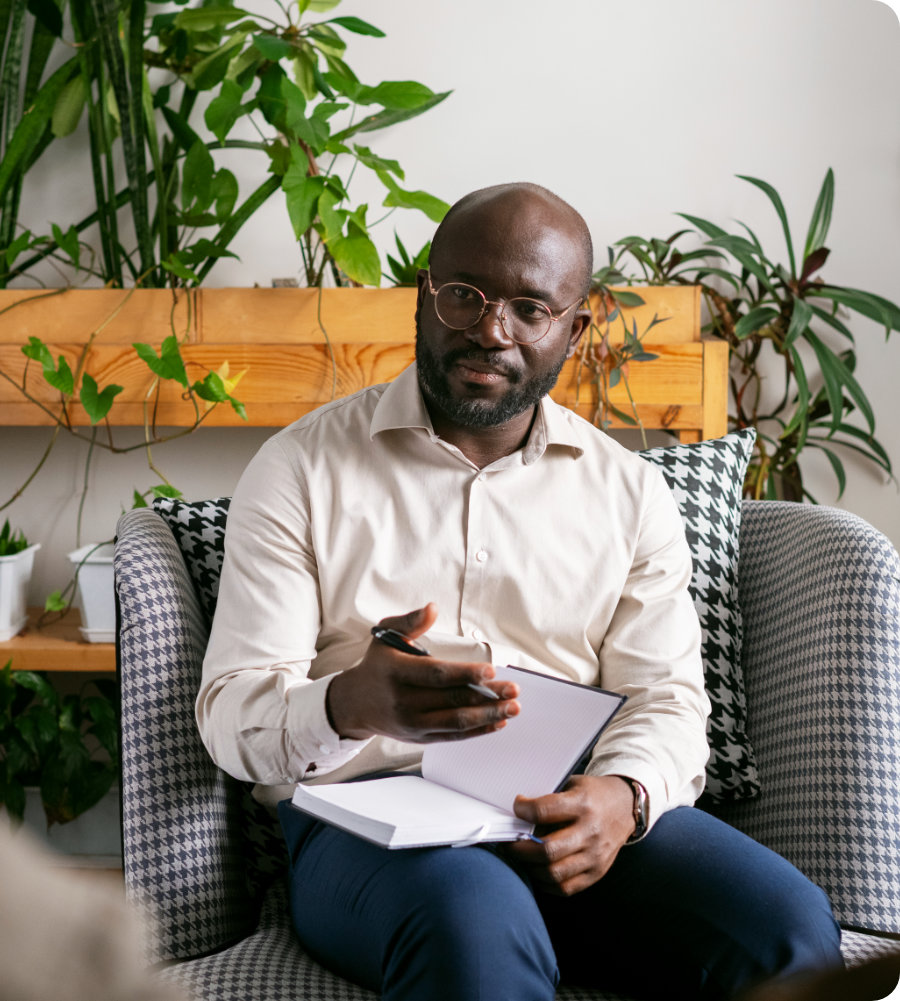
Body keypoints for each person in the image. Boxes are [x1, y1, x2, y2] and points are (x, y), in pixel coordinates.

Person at [197, 182, 843, 1000]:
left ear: (574, 329)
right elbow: (229, 713)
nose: (491, 331)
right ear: (423, 295)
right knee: (474, 926)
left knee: (788, 925)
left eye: (530, 308)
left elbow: (668, 701)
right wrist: (348, 703)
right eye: (464, 295)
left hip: (568, 816)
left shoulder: (630, 494)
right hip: (365, 829)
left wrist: (624, 796)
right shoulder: (299, 470)